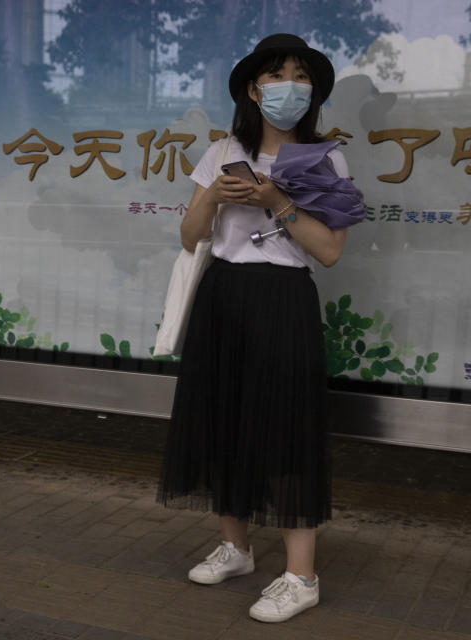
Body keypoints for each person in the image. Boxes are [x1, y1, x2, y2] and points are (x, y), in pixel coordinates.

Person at [156, 33, 349, 623]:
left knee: (286, 429)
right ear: (252, 88)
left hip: (283, 298)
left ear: (312, 91)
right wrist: (213, 195)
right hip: (224, 294)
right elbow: (191, 238)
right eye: (277, 76)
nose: (289, 87)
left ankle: (301, 575)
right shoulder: (222, 151)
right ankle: (236, 548)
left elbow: (331, 252)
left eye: (300, 76)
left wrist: (277, 203)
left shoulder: (325, 158)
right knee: (223, 419)